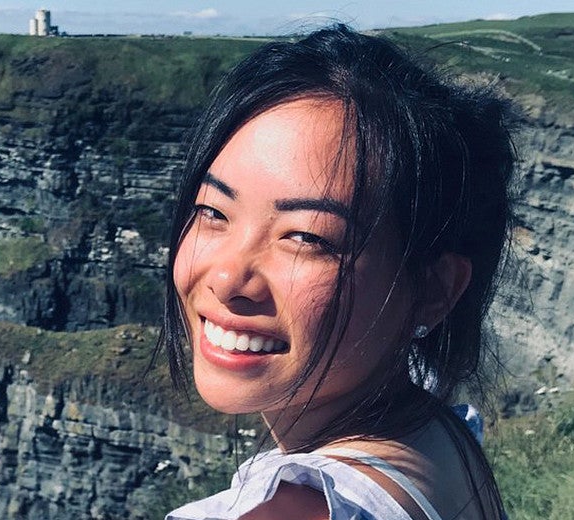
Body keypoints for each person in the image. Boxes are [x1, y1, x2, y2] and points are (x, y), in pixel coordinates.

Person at [158, 24, 515, 520]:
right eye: (213, 212)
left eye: (306, 238)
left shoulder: (299, 509)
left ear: (434, 290)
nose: (226, 278)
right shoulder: (433, 437)